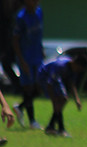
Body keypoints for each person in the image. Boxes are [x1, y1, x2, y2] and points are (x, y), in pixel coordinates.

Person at [12, 0, 44, 130]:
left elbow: (39, 35)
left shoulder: (39, 12)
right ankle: (32, 121)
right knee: (28, 88)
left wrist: (41, 50)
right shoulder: (21, 17)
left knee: (40, 87)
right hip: (26, 58)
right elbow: (15, 40)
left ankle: (20, 107)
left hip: (37, 56)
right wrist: (22, 61)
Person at [37, 53, 87, 138]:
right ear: (75, 63)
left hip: (55, 79)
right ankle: (60, 129)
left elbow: (72, 84)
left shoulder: (73, 69)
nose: (78, 71)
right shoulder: (60, 67)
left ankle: (51, 127)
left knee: (63, 100)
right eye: (79, 69)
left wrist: (77, 99)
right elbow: (50, 84)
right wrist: (54, 101)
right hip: (44, 76)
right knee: (59, 102)